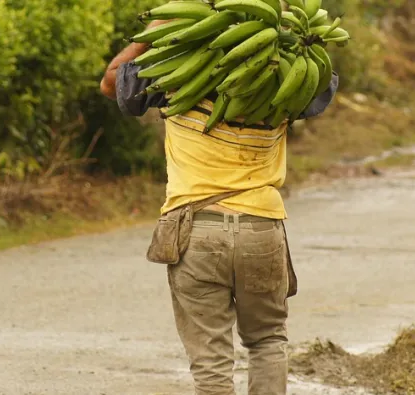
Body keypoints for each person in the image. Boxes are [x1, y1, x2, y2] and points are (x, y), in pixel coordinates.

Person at [100, 19, 339, 395]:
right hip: (262, 229)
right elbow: (323, 85)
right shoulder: (282, 75)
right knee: (267, 340)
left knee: (211, 362)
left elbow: (111, 81)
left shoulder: (176, 71)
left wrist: (153, 34)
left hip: (196, 231)